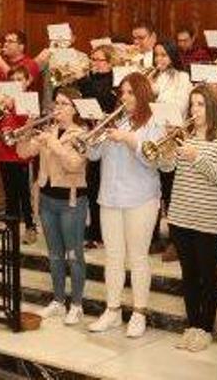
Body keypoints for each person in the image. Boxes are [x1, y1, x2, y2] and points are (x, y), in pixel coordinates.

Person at [87, 72, 168, 338]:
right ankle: (112, 310)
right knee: (112, 256)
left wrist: (129, 139)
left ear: (142, 94)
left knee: (138, 256)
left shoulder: (155, 121)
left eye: (131, 92)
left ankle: (139, 312)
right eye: (122, 92)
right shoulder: (116, 119)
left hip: (141, 197)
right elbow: (93, 154)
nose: (125, 97)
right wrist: (95, 132)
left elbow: (154, 160)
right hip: (110, 195)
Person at [164, 85, 217, 352]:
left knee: (207, 274)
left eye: (201, 104)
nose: (195, 110)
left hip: (208, 219)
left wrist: (196, 157)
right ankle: (192, 326)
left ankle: (206, 327)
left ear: (213, 107)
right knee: (189, 275)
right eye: (192, 104)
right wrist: (169, 150)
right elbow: (168, 168)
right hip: (181, 215)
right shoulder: (186, 134)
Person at [18, 87, 89, 325]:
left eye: (64, 104)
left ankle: (77, 304)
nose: (57, 108)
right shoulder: (49, 130)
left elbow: (74, 165)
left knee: (73, 254)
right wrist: (27, 130)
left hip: (71, 201)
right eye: (56, 103)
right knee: (55, 255)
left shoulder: (82, 133)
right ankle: (58, 300)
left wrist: (55, 144)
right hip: (47, 201)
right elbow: (22, 152)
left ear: (75, 109)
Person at [151, 40, 194, 258]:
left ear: (173, 56)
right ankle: (153, 236)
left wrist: (155, 101)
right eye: (157, 55)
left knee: (171, 193)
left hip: (172, 139)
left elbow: (180, 107)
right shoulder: (154, 76)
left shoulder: (182, 78)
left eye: (164, 55)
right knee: (154, 190)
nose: (159, 59)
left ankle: (176, 242)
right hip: (154, 138)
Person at [0, 66, 37, 244]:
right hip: (4, 154)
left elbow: (28, 126)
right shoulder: (2, 100)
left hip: (20, 154)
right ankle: (11, 229)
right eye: (13, 80)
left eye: (20, 79)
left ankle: (31, 228)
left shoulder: (29, 100)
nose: (17, 82)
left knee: (24, 194)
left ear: (27, 81)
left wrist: (14, 106)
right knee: (9, 194)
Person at [78, 44, 117, 248]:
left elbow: (102, 98)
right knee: (92, 184)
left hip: (109, 139)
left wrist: (85, 80)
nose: (94, 63)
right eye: (92, 59)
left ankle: (103, 231)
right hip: (92, 134)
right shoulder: (89, 80)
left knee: (105, 184)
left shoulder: (114, 80)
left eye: (98, 59)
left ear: (109, 62)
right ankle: (94, 228)